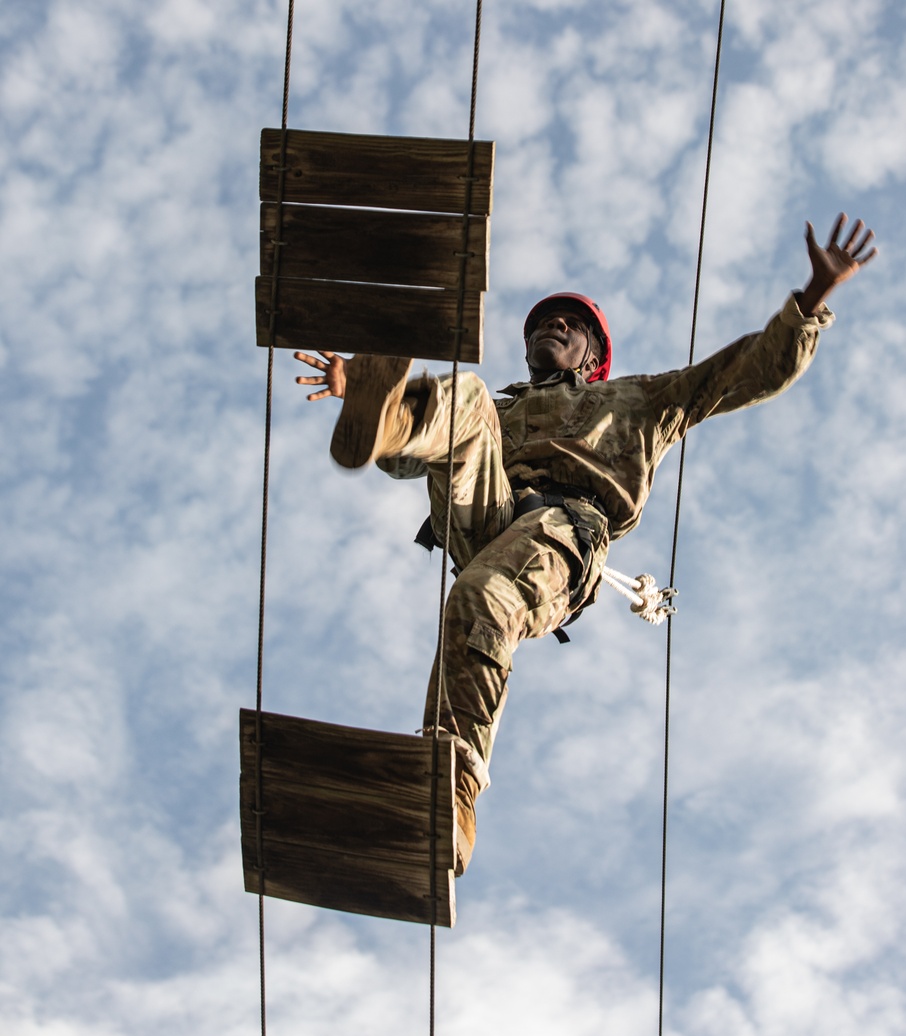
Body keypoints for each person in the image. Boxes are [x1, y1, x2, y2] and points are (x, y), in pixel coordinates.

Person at [294, 214, 876, 875]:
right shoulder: (504, 408)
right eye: (544, 322)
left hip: (563, 534)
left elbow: (741, 371)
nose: (554, 326)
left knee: (482, 596)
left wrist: (810, 300)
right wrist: (367, 401)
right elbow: (412, 464)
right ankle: (388, 408)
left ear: (594, 355)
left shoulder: (637, 401)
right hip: (485, 513)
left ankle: (448, 791)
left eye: (570, 325)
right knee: (470, 400)